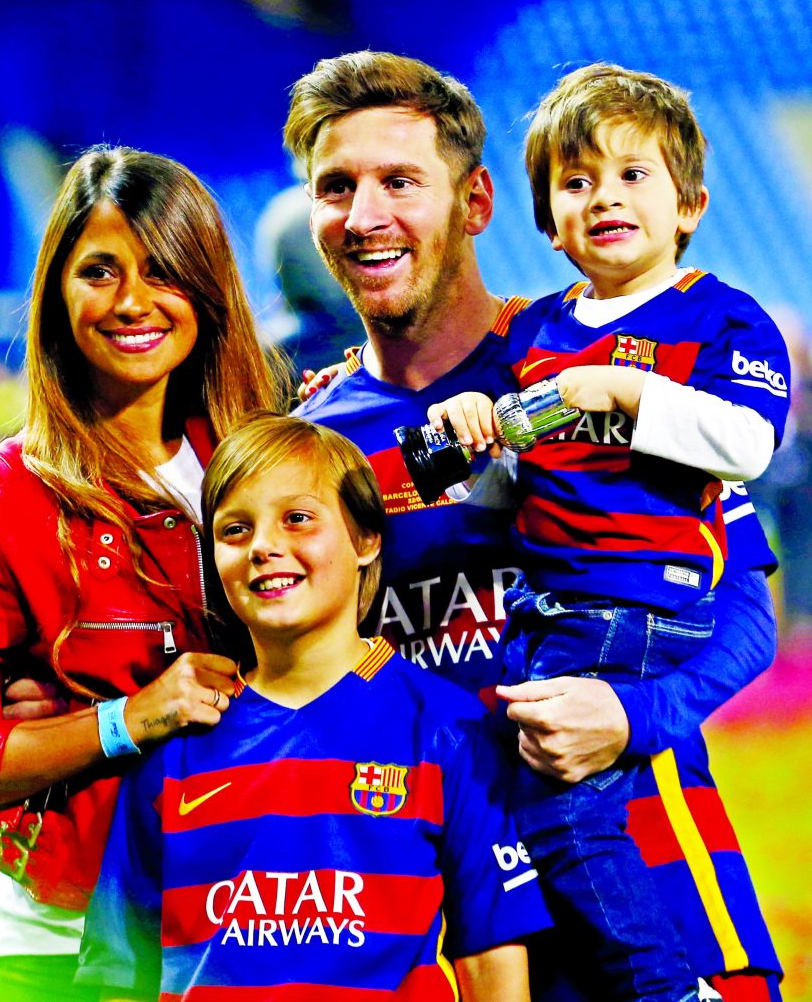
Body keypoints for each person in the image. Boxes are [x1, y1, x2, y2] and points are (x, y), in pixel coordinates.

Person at [286, 51, 783, 999]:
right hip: (434, 912)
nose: (364, 216)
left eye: (399, 181)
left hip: (647, 863)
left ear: (475, 202)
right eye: (335, 187)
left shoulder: (607, 374)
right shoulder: (302, 447)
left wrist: (637, 715)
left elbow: (744, 611)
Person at [428, 63, 790, 1001]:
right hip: (546, 609)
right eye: (578, 181)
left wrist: (631, 392)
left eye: (634, 176)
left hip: (632, 603)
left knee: (561, 815)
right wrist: (479, 438)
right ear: (544, 220)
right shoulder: (533, 332)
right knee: (539, 809)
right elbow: (512, 490)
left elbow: (746, 444)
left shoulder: (719, 318)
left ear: (691, 206)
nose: (605, 198)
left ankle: (668, 989)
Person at [0, 145, 286, 1000]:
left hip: (271, 921)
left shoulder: (271, 465)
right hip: (68, 946)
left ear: (209, 288)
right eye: (99, 271)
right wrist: (122, 721)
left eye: (163, 271)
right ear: (55, 291)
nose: (132, 302)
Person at [76, 412, 552, 1000]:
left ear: (366, 540)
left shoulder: (447, 730)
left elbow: (491, 952)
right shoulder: (177, 740)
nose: (265, 547)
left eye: (298, 519)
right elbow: (116, 972)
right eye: (234, 531)